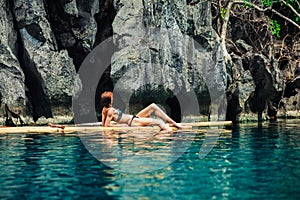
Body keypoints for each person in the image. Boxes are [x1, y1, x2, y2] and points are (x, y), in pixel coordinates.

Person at [101, 91, 182, 131]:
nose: (113, 98)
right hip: (133, 122)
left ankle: (172, 122)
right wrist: (121, 126)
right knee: (159, 122)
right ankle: (171, 132)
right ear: (109, 99)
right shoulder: (110, 111)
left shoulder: (104, 109)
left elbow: (103, 123)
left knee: (153, 106)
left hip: (134, 118)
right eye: (111, 97)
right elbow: (106, 126)